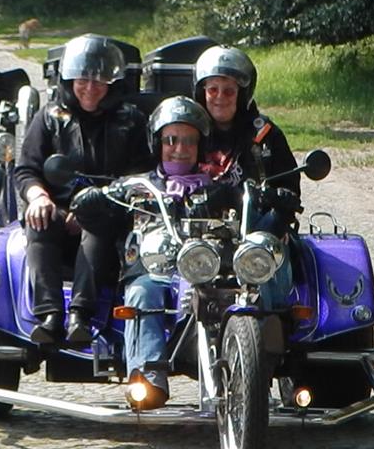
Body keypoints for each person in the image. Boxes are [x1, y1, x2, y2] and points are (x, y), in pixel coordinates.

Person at [73, 95, 218, 410]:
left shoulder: (216, 188)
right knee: (141, 293)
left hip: (201, 271)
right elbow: (96, 212)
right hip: (149, 271)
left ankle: (230, 368)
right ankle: (148, 380)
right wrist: (94, 199)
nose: (179, 148)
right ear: (157, 143)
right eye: (171, 140)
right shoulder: (135, 186)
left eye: (189, 141)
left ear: (201, 146)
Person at [13, 34, 151, 344]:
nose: (90, 88)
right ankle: (49, 315)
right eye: (83, 80)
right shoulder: (49, 117)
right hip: (57, 210)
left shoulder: (131, 121)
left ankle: (81, 314)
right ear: (69, 80)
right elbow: (26, 169)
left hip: (110, 214)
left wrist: (99, 201)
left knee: (96, 221)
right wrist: (38, 196)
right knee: (39, 221)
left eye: (99, 81)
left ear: (112, 83)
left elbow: (142, 175)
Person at [194, 45, 300, 309]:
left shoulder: (265, 134)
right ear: (201, 91)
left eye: (229, 91)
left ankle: (274, 319)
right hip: (197, 232)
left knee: (271, 252)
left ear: (242, 94)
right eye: (213, 89)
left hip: (255, 232)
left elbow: (290, 187)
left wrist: (279, 206)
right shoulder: (188, 132)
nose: (220, 97)